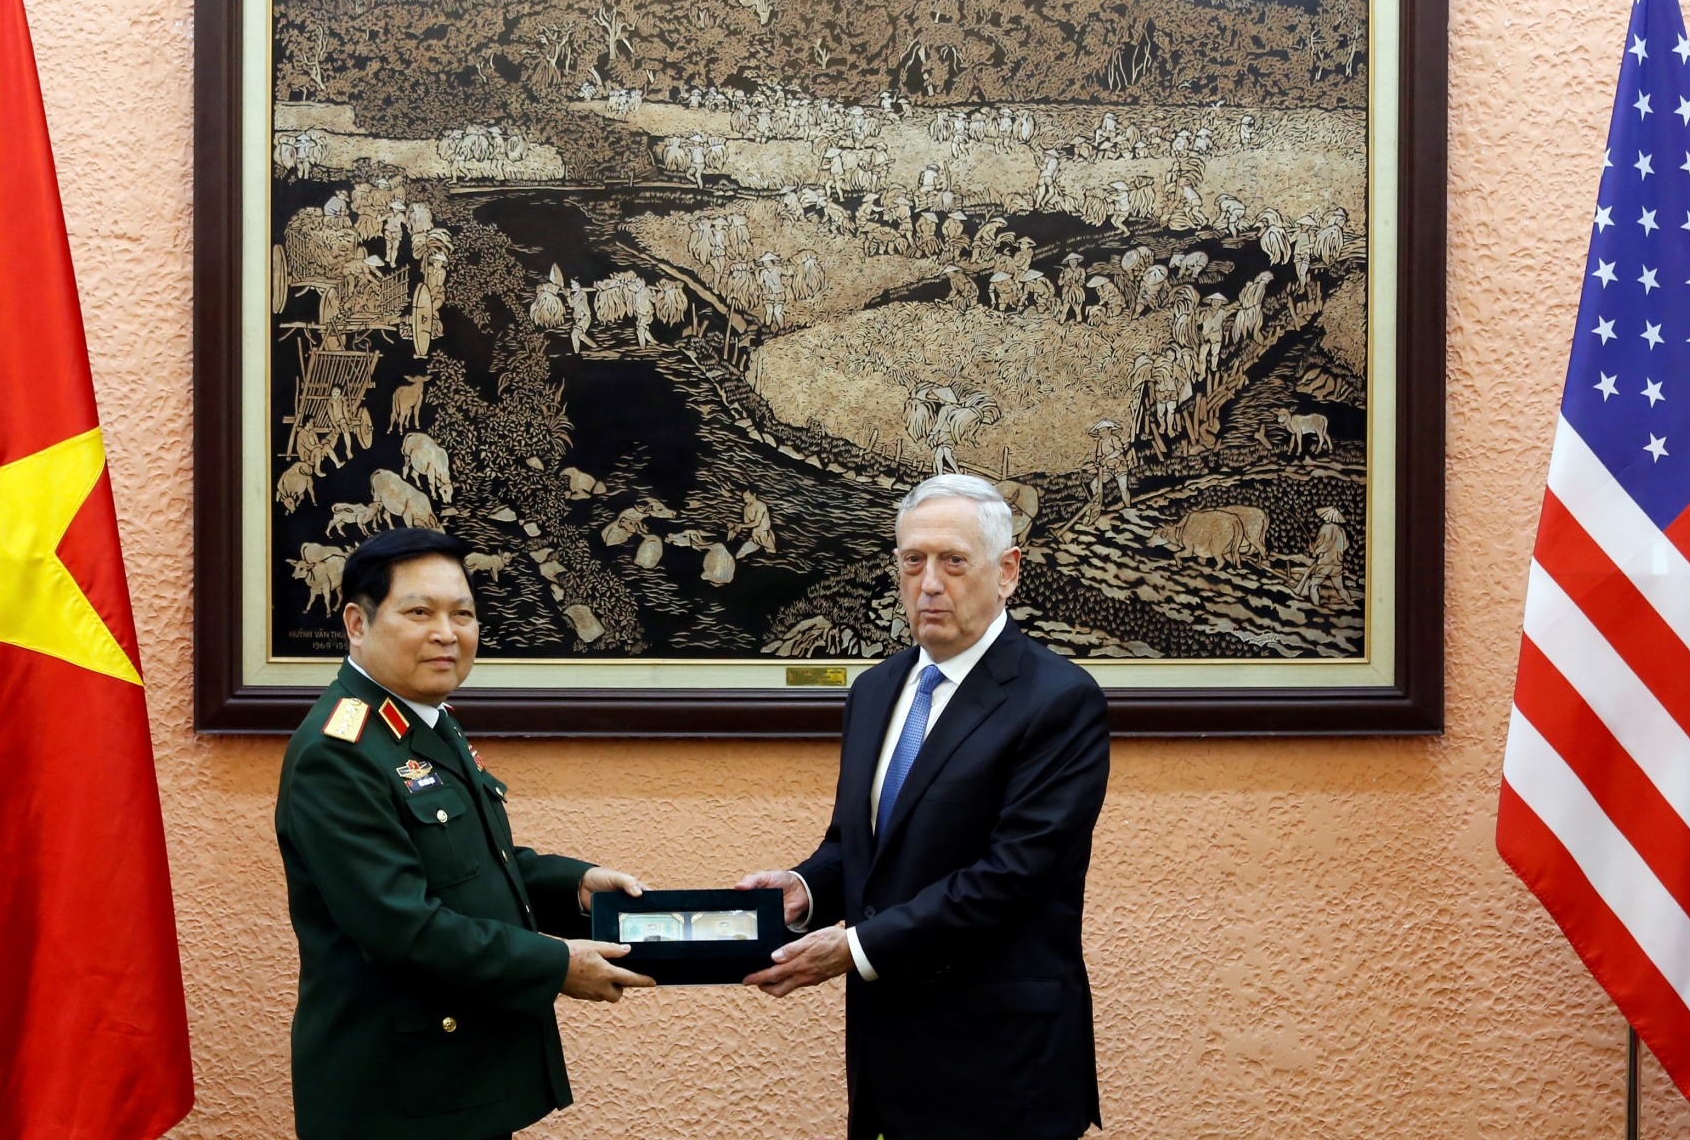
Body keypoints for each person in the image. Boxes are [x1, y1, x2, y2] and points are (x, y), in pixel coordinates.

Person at [738, 474, 1110, 1140]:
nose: (929, 583)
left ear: (1008, 572)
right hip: (888, 1058)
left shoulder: (1058, 700)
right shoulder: (877, 691)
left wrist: (855, 947)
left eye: (953, 561)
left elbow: (1011, 877)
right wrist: (804, 887)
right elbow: (858, 844)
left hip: (1001, 1067)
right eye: (913, 560)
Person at [276, 528, 653, 1140]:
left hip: (454, 1081)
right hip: (398, 1097)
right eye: (419, 612)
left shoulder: (421, 721)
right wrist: (556, 963)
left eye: (463, 614)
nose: (447, 633)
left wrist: (575, 886)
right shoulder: (339, 751)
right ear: (356, 623)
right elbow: (404, 927)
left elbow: (472, 863)